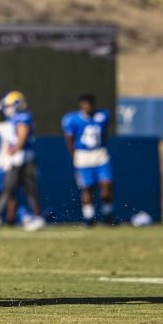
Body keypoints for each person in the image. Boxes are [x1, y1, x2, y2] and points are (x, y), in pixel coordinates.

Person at [0, 91, 45, 231]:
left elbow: (22, 134)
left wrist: (15, 149)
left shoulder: (22, 117)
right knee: (12, 189)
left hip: (23, 157)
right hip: (19, 157)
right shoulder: (15, 118)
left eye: (8, 105)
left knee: (22, 189)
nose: (6, 108)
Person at [61, 93, 115, 225]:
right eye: (85, 105)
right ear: (81, 105)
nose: (87, 107)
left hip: (99, 153)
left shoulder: (102, 116)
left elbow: (105, 133)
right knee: (87, 188)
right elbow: (69, 139)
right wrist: (74, 155)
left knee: (106, 185)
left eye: (90, 105)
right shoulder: (72, 119)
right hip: (83, 154)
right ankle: (89, 218)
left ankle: (107, 215)